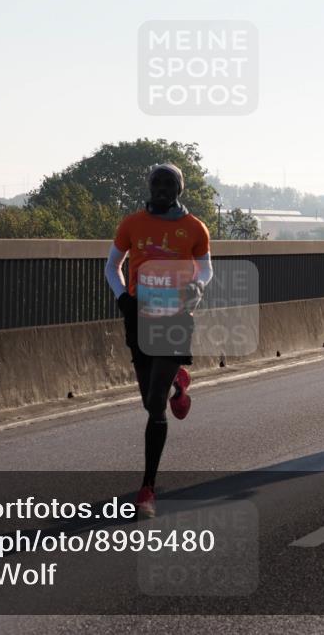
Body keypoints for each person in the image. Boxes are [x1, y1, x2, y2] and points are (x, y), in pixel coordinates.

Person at [105, 164, 213, 518]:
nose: (163, 188)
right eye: (157, 183)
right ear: (149, 187)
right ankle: (178, 385)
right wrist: (122, 296)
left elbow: (206, 268)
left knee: (154, 405)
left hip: (176, 316)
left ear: (179, 189)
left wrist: (197, 286)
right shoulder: (132, 224)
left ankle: (147, 488)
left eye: (170, 183)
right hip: (139, 315)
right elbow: (112, 265)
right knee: (149, 400)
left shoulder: (194, 228)